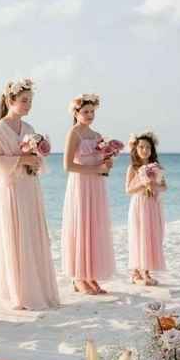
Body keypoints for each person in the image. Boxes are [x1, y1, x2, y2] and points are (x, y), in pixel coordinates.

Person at [0, 78, 60, 311]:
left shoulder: (29, 130)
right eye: (24, 100)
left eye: (30, 101)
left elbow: (38, 162)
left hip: (29, 186)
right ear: (11, 100)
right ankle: (18, 291)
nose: (28, 105)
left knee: (31, 232)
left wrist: (35, 161)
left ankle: (35, 286)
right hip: (10, 189)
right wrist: (22, 158)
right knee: (15, 234)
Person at [61, 93, 115, 295]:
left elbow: (103, 162)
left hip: (96, 186)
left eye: (92, 111)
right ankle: (79, 277)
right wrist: (96, 169)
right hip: (81, 185)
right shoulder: (74, 133)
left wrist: (108, 163)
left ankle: (91, 275)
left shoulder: (96, 134)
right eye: (85, 111)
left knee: (94, 227)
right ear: (76, 113)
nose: (90, 115)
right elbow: (67, 165)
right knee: (82, 226)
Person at [126, 131, 167, 286]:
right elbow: (128, 189)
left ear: (152, 150)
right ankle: (136, 272)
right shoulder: (133, 168)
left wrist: (154, 184)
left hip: (153, 204)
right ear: (136, 149)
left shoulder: (156, 167)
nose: (144, 150)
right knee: (139, 235)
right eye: (141, 147)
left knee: (151, 236)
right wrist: (143, 183)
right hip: (139, 204)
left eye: (148, 147)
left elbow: (164, 186)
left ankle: (146, 271)